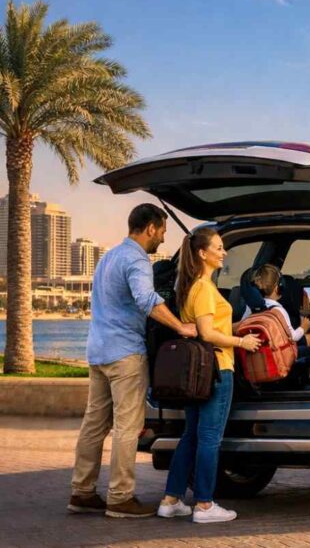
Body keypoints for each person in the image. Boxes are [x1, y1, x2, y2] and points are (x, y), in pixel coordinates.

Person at [69, 204, 198, 519]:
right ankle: (120, 498)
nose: (163, 238)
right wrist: (181, 327)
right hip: (125, 354)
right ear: (151, 228)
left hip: (98, 352)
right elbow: (146, 299)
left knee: (94, 425)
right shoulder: (137, 259)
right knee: (128, 426)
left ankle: (82, 492)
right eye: (163, 231)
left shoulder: (108, 257)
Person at [158, 228, 261, 524]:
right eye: (218, 247)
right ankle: (204, 505)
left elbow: (211, 327)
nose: (223, 252)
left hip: (198, 373)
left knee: (191, 435)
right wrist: (241, 342)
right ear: (202, 253)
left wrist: (239, 327)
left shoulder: (192, 286)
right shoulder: (203, 288)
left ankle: (171, 500)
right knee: (209, 438)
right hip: (216, 369)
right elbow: (207, 333)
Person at [245, 264, 310, 385]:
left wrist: (301, 316)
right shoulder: (278, 310)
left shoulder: (252, 307)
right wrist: (304, 327)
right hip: (283, 348)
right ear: (278, 288)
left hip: (268, 345)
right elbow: (293, 337)